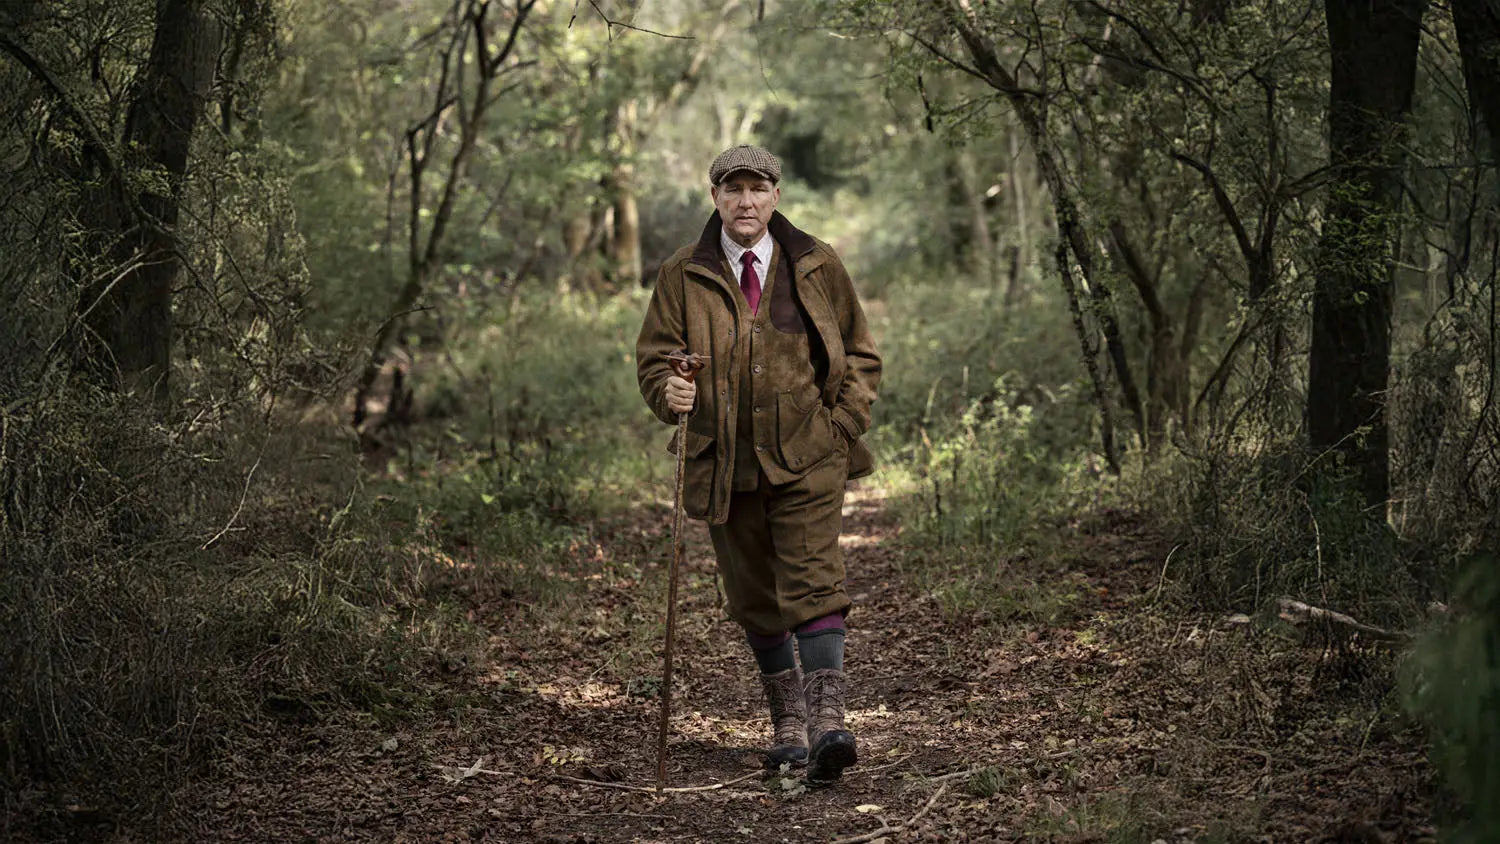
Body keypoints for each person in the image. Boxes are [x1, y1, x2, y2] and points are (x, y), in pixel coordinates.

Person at [635, 144, 881, 783]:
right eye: (733, 189)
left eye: (758, 188)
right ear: (714, 196)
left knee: (814, 578)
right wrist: (671, 391)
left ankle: (829, 724)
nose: (746, 201)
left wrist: (842, 426)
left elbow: (859, 355)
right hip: (725, 461)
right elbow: (656, 359)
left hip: (809, 454)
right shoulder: (682, 273)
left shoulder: (816, 263)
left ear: (777, 195)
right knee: (752, 595)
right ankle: (788, 728)